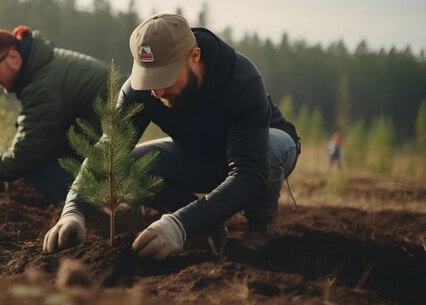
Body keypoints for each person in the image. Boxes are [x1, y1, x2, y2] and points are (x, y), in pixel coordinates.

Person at [43, 13, 301, 259]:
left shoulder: (241, 80)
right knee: (128, 165)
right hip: (197, 154)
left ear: (195, 57)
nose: (157, 90)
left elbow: (249, 173)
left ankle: (260, 225)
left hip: (262, 150)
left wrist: (179, 224)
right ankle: (207, 228)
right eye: (149, 78)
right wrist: (73, 210)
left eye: (165, 77)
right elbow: (109, 149)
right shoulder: (141, 89)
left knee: (266, 153)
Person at [0, 26, 109, 203]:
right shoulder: (40, 66)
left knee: (32, 165)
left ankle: (84, 208)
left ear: (13, 58)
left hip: (114, 133)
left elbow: (28, 151)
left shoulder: (41, 86)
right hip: (98, 130)